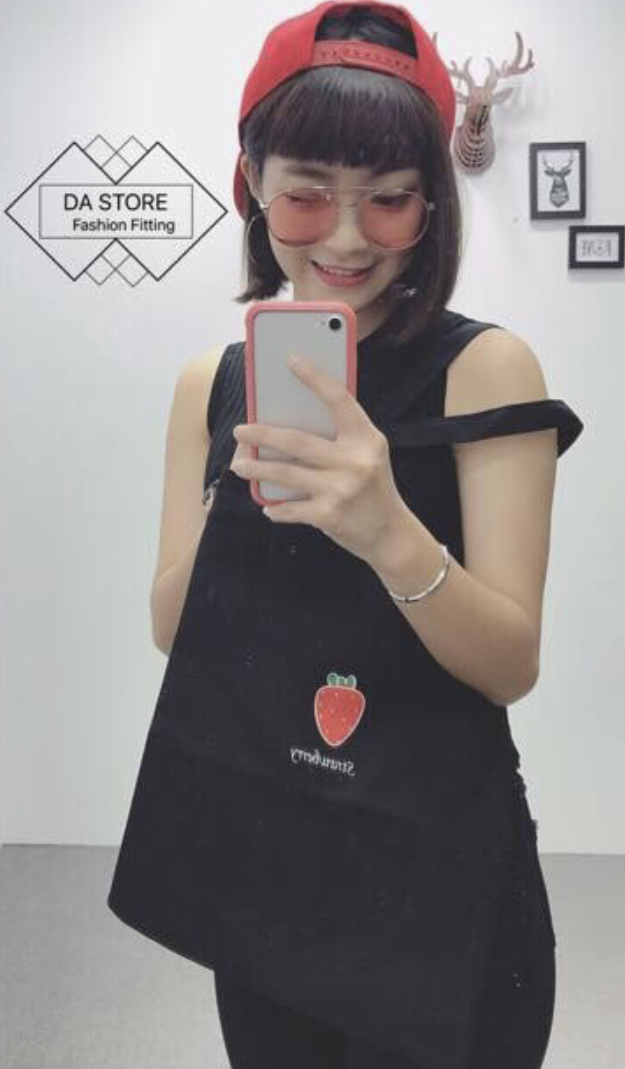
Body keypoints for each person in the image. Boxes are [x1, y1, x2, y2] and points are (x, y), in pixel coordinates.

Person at [107, 4, 585, 1068]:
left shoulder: (486, 368)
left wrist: (387, 529)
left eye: (390, 199)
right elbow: (169, 627)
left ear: (432, 205)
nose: (347, 235)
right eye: (307, 192)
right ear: (252, 186)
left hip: (443, 867)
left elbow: (509, 662)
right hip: (270, 861)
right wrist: (238, 495)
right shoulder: (211, 383)